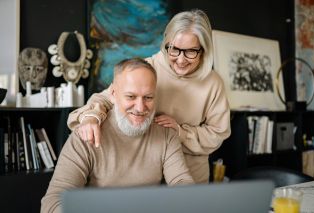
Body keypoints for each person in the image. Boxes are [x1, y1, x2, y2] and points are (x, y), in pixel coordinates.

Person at [68, 9, 231, 183]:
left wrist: (180, 132)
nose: (181, 60)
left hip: (190, 176)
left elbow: (217, 133)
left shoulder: (213, 83)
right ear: (166, 43)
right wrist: (91, 117)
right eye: (174, 49)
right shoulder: (147, 69)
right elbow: (107, 98)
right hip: (145, 173)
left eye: (191, 51)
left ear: (203, 50)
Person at [41, 58, 193, 213]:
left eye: (148, 97)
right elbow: (52, 203)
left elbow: (183, 184)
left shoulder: (166, 134)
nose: (140, 108)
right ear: (113, 94)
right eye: (131, 97)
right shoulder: (86, 133)